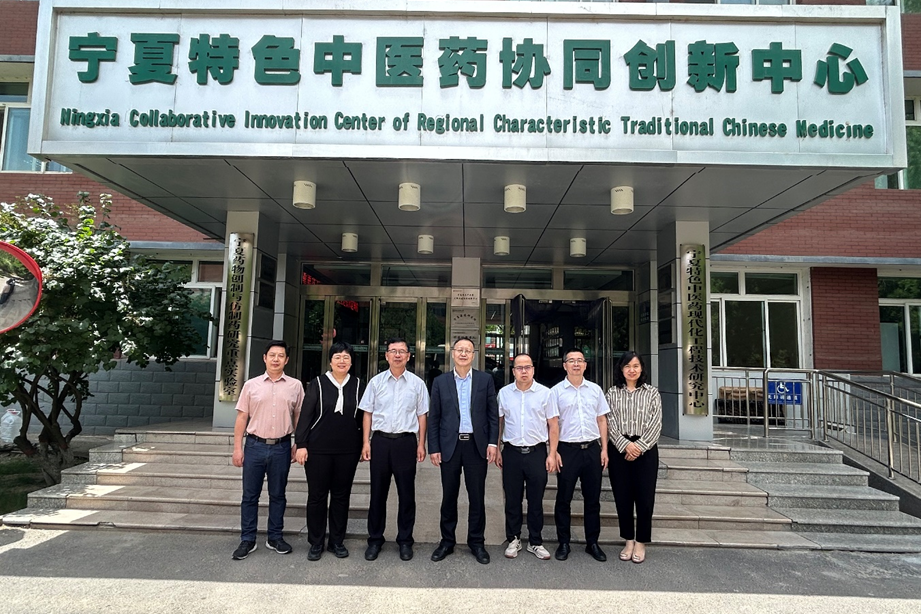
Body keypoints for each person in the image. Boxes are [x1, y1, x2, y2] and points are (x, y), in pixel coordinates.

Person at [428, 337, 499, 565]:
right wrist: (433, 447)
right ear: (452, 353)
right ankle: (447, 541)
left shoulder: (485, 380)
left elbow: (492, 414)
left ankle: (477, 542)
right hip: (450, 445)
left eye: (468, 350)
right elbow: (434, 417)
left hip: (476, 446)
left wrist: (493, 443)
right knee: (449, 496)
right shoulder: (440, 382)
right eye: (460, 350)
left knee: (476, 497)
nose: (463, 354)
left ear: (473, 355)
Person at [231, 340, 304, 560]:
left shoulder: (295, 386)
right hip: (254, 446)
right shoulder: (251, 385)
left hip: (282, 447)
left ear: (286, 360)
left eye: (281, 356)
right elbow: (242, 417)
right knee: (250, 495)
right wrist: (237, 448)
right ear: (264, 358)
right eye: (272, 355)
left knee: (278, 495)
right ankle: (247, 539)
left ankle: (275, 537)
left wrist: (298, 442)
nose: (276, 359)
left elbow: (299, 416)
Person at [359, 337, 429, 562]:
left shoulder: (417, 384)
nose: (397, 355)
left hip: (406, 443)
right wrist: (366, 442)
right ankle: (375, 540)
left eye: (402, 351)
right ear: (386, 355)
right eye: (393, 351)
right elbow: (367, 413)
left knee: (406, 494)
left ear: (408, 356)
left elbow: (422, 415)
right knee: (377, 494)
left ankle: (405, 540)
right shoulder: (376, 382)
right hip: (380, 442)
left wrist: (421, 443)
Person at [294, 342, 364, 561]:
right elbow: (305, 416)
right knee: (317, 496)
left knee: (341, 496)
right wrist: (301, 444)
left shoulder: (359, 385)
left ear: (351, 361)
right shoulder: (317, 383)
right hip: (318, 450)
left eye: (346, 357)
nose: (342, 361)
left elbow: (364, 418)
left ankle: (336, 541)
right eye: (337, 357)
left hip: (348, 450)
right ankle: (316, 542)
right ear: (330, 361)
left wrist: (364, 444)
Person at [497, 353, 559, 561]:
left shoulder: (546, 393)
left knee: (536, 500)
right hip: (512, 452)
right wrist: (497, 448)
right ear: (513, 371)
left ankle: (535, 541)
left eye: (527, 367)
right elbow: (499, 423)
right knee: (512, 499)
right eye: (519, 368)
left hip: (537, 453)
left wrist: (552, 453)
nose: (523, 371)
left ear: (533, 369)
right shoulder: (504, 393)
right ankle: (514, 538)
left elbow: (553, 425)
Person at [550, 348, 609, 563]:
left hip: (592, 449)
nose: (576, 364)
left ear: (585, 365)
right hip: (567, 450)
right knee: (563, 498)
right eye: (571, 361)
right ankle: (563, 542)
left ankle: (592, 542)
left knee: (592, 500)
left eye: (580, 360)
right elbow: (553, 424)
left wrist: (604, 449)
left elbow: (602, 420)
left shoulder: (595, 390)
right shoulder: (555, 392)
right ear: (564, 365)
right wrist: (553, 451)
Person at [605, 351, 662, 565]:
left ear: (641, 369)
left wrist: (638, 447)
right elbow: (609, 422)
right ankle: (628, 540)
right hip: (619, 450)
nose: (632, 370)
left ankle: (641, 542)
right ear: (621, 369)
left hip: (646, 451)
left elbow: (656, 424)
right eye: (627, 366)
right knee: (623, 498)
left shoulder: (652, 393)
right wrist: (624, 445)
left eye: (636, 366)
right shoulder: (612, 393)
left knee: (645, 499)